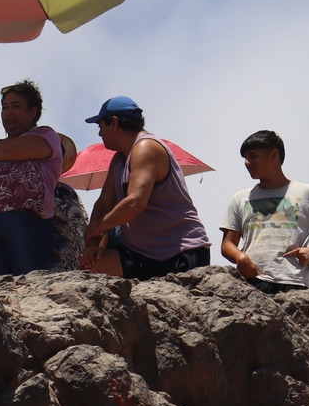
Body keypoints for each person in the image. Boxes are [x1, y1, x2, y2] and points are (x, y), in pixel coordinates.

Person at [79, 96, 212, 279]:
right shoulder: (119, 159)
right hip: (141, 254)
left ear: (114, 123)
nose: (100, 134)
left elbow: (135, 202)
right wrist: (93, 243)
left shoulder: (146, 147)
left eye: (101, 126)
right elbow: (103, 202)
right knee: (92, 268)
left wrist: (99, 227)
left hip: (179, 252)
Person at [0, 80, 69, 276]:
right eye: (4, 107)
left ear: (33, 111)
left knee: (31, 285)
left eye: (15, 106)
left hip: (26, 222)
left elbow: (16, 149)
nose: (8, 112)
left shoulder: (45, 135)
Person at [219, 131, 309, 294]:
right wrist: (240, 257)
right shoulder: (240, 198)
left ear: (273, 155)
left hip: (295, 283)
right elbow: (227, 244)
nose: (247, 163)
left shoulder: (308, 193)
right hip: (252, 283)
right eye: (244, 158)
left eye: (252, 156)